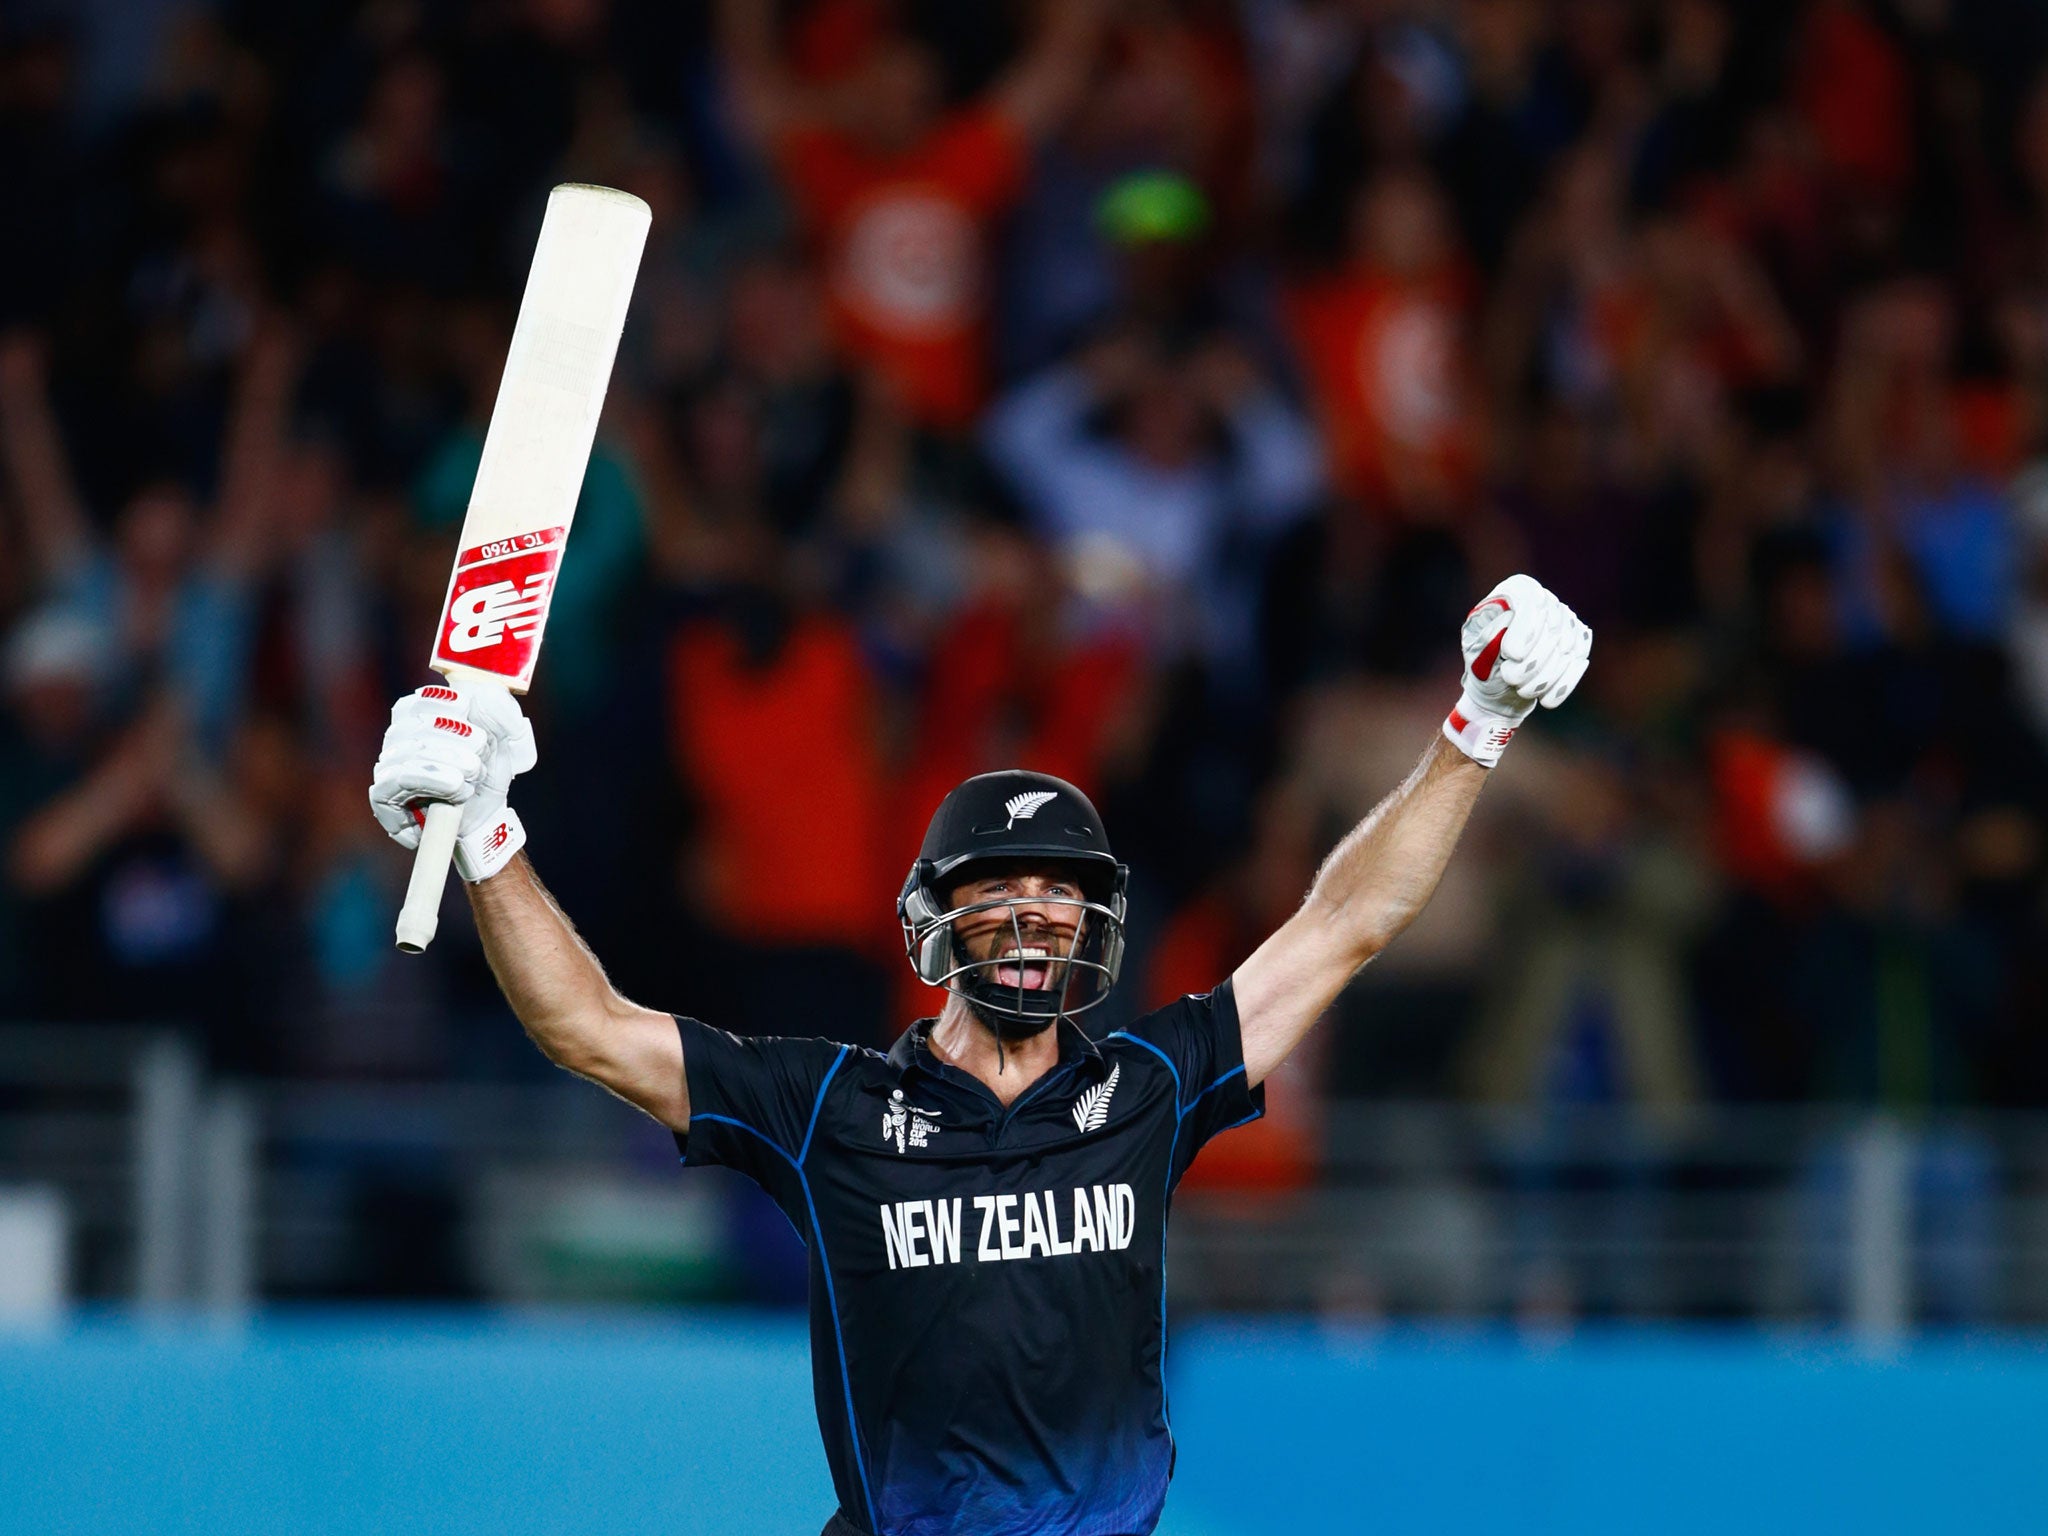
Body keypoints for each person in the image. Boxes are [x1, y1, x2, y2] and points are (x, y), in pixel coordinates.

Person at [366, 573, 1592, 1536]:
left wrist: (1474, 727)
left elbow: (1344, 923)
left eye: (1059, 896)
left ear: (1094, 925)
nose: (1031, 917)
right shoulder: (828, 1108)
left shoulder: (1147, 1090)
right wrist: (487, 838)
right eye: (996, 890)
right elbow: (585, 1027)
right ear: (933, 922)